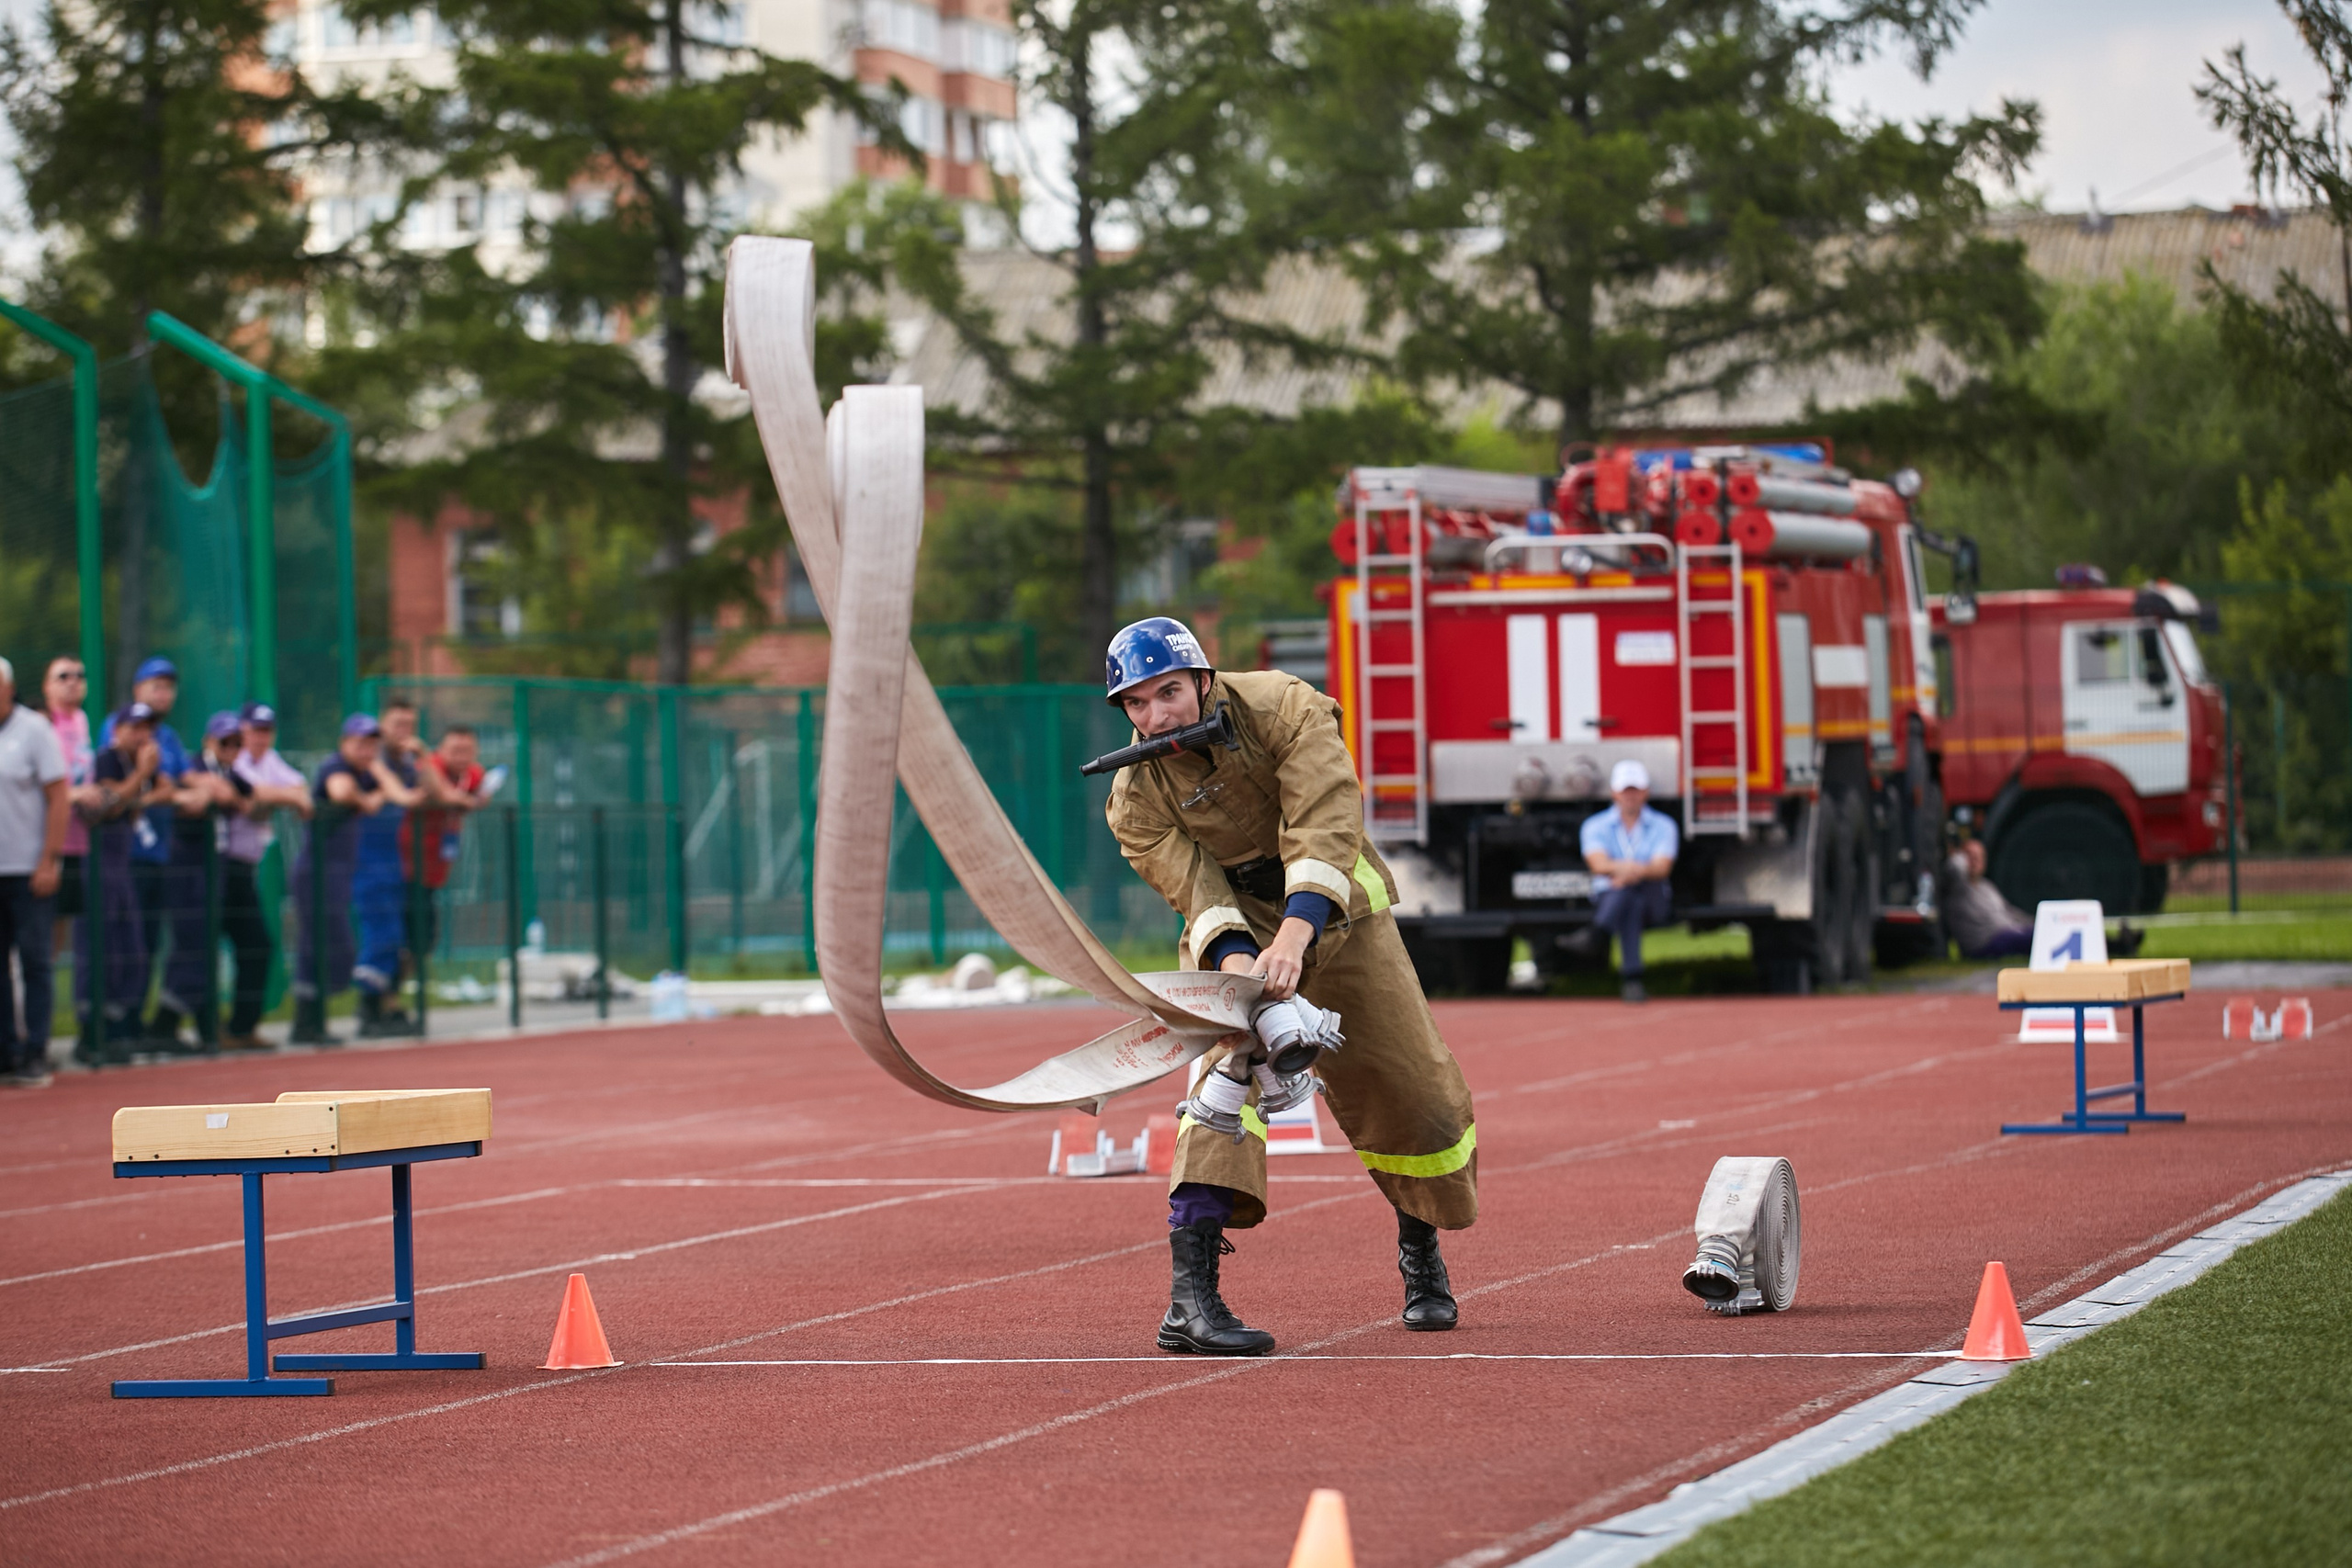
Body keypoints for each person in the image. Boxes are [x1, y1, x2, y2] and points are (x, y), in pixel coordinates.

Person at [1102, 616, 1477, 1356]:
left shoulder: (1286, 706)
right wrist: (1240, 964)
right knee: (1219, 1100)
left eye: (1169, 692)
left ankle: (1420, 1250)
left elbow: (1325, 820)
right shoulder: (1133, 796)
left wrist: (1296, 937)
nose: (1157, 717)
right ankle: (1190, 1301)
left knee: (1413, 1091)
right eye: (1137, 704)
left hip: (1339, 915)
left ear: (1203, 679)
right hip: (1235, 936)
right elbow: (1195, 887)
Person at [100, 657, 209, 1046]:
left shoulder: (169, 737)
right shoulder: (116, 728)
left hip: (160, 855)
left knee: (148, 944)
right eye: (155, 686)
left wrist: (195, 790)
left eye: (168, 687)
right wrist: (155, 787)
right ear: (137, 690)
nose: (163, 694)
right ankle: (112, 1028)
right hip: (124, 857)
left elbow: (178, 781)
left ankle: (136, 1027)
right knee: (122, 945)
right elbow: (123, 788)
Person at [291, 714, 409, 1044]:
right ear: (344, 744)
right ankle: (306, 1022)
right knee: (324, 947)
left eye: (372, 745)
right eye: (360, 744)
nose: (366, 751)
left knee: (328, 948)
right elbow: (340, 792)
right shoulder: (336, 767)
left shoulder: (366, 772)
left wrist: (378, 776)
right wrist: (367, 799)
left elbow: (399, 794)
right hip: (315, 873)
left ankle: (311, 1022)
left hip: (338, 875)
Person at [200, 705, 311, 1049]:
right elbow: (256, 795)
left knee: (257, 945)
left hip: (244, 869)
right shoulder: (233, 761)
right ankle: (201, 1029)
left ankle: (241, 1027)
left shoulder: (268, 760)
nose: (259, 739)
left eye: (266, 731)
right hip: (215, 867)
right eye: (253, 731)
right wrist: (283, 798)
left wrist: (281, 797)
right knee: (203, 947)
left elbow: (298, 787)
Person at [76, 702, 169, 1053]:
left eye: (147, 728)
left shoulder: (139, 766)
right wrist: (139, 778)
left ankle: (117, 1027)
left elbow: (166, 790)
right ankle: (90, 1033)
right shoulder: (107, 759)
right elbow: (110, 802)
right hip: (98, 862)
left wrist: (137, 792)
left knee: (131, 948)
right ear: (117, 731)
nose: (143, 735)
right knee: (99, 946)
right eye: (135, 728)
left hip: (122, 863)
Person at [0, 657, 71, 1087]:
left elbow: (59, 796)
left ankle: (37, 1050)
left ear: (8, 688)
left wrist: (50, 858)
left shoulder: (33, 730)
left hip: (28, 870)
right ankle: (5, 1050)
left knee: (34, 961)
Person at [350, 699, 434, 1037]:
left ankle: (386, 1005)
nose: (404, 732)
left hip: (395, 865)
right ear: (383, 726)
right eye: (397, 724)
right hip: (366, 863)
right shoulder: (373, 762)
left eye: (409, 726)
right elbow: (404, 795)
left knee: (399, 938)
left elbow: (432, 790)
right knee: (379, 937)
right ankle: (369, 1009)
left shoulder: (408, 763)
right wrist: (403, 795)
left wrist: (424, 757)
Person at [1565, 759, 1679, 1003]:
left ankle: (1598, 933)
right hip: (1615, 895)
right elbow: (1598, 865)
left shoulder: (1663, 825)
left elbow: (1661, 868)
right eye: (1625, 790)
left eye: (1635, 790)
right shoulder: (1595, 825)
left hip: (1651, 896)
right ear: (1614, 792)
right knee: (1631, 903)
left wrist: (1622, 872)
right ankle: (1632, 979)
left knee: (1629, 894)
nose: (1630, 796)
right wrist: (1635, 870)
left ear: (1646, 792)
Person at [398, 723, 490, 973]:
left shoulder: (473, 774)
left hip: (435, 867)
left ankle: (407, 983)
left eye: (467, 750)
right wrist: (466, 800)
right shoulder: (430, 766)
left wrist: (475, 800)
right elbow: (441, 794)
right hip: (405, 864)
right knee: (410, 932)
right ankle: (393, 984)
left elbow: (481, 793)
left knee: (425, 934)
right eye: (455, 750)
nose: (461, 757)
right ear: (441, 750)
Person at [41, 658, 93, 942]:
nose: (73, 681)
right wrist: (75, 795)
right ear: (46, 686)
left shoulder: (81, 720)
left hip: (78, 839)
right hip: (49, 842)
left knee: (63, 924)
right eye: (63, 676)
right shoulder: (42, 724)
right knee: (39, 926)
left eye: (79, 675)